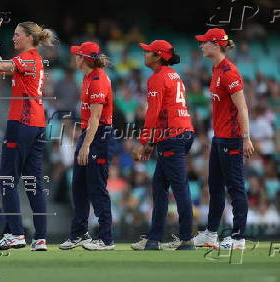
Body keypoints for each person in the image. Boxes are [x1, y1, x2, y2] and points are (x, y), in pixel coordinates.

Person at [0, 20, 56, 251]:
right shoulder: (33, 59)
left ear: (29, 38)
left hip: (20, 123)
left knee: (7, 179)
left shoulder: (24, 59)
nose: (13, 38)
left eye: (16, 35)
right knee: (33, 181)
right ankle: (41, 237)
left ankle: (15, 234)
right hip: (37, 124)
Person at [130, 40, 195, 250]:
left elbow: (153, 113)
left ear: (158, 56)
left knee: (179, 187)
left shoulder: (157, 78)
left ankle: (186, 239)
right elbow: (164, 113)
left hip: (172, 136)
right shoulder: (174, 75)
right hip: (180, 132)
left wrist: (144, 142)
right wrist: (152, 142)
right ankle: (154, 239)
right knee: (159, 186)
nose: (144, 54)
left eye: (148, 52)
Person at [193, 28, 254, 250]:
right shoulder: (216, 69)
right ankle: (210, 234)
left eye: (204, 42)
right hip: (219, 138)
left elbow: (243, 108)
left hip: (232, 139)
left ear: (216, 45)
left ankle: (238, 238)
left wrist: (246, 138)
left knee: (235, 187)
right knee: (215, 187)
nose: (201, 46)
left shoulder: (229, 72)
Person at [59, 42, 115, 250]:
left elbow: (96, 117)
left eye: (77, 55)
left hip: (99, 136)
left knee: (96, 187)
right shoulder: (88, 77)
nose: (74, 57)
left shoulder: (98, 80)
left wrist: (86, 145)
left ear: (83, 58)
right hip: (89, 135)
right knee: (79, 187)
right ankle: (79, 234)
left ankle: (106, 238)